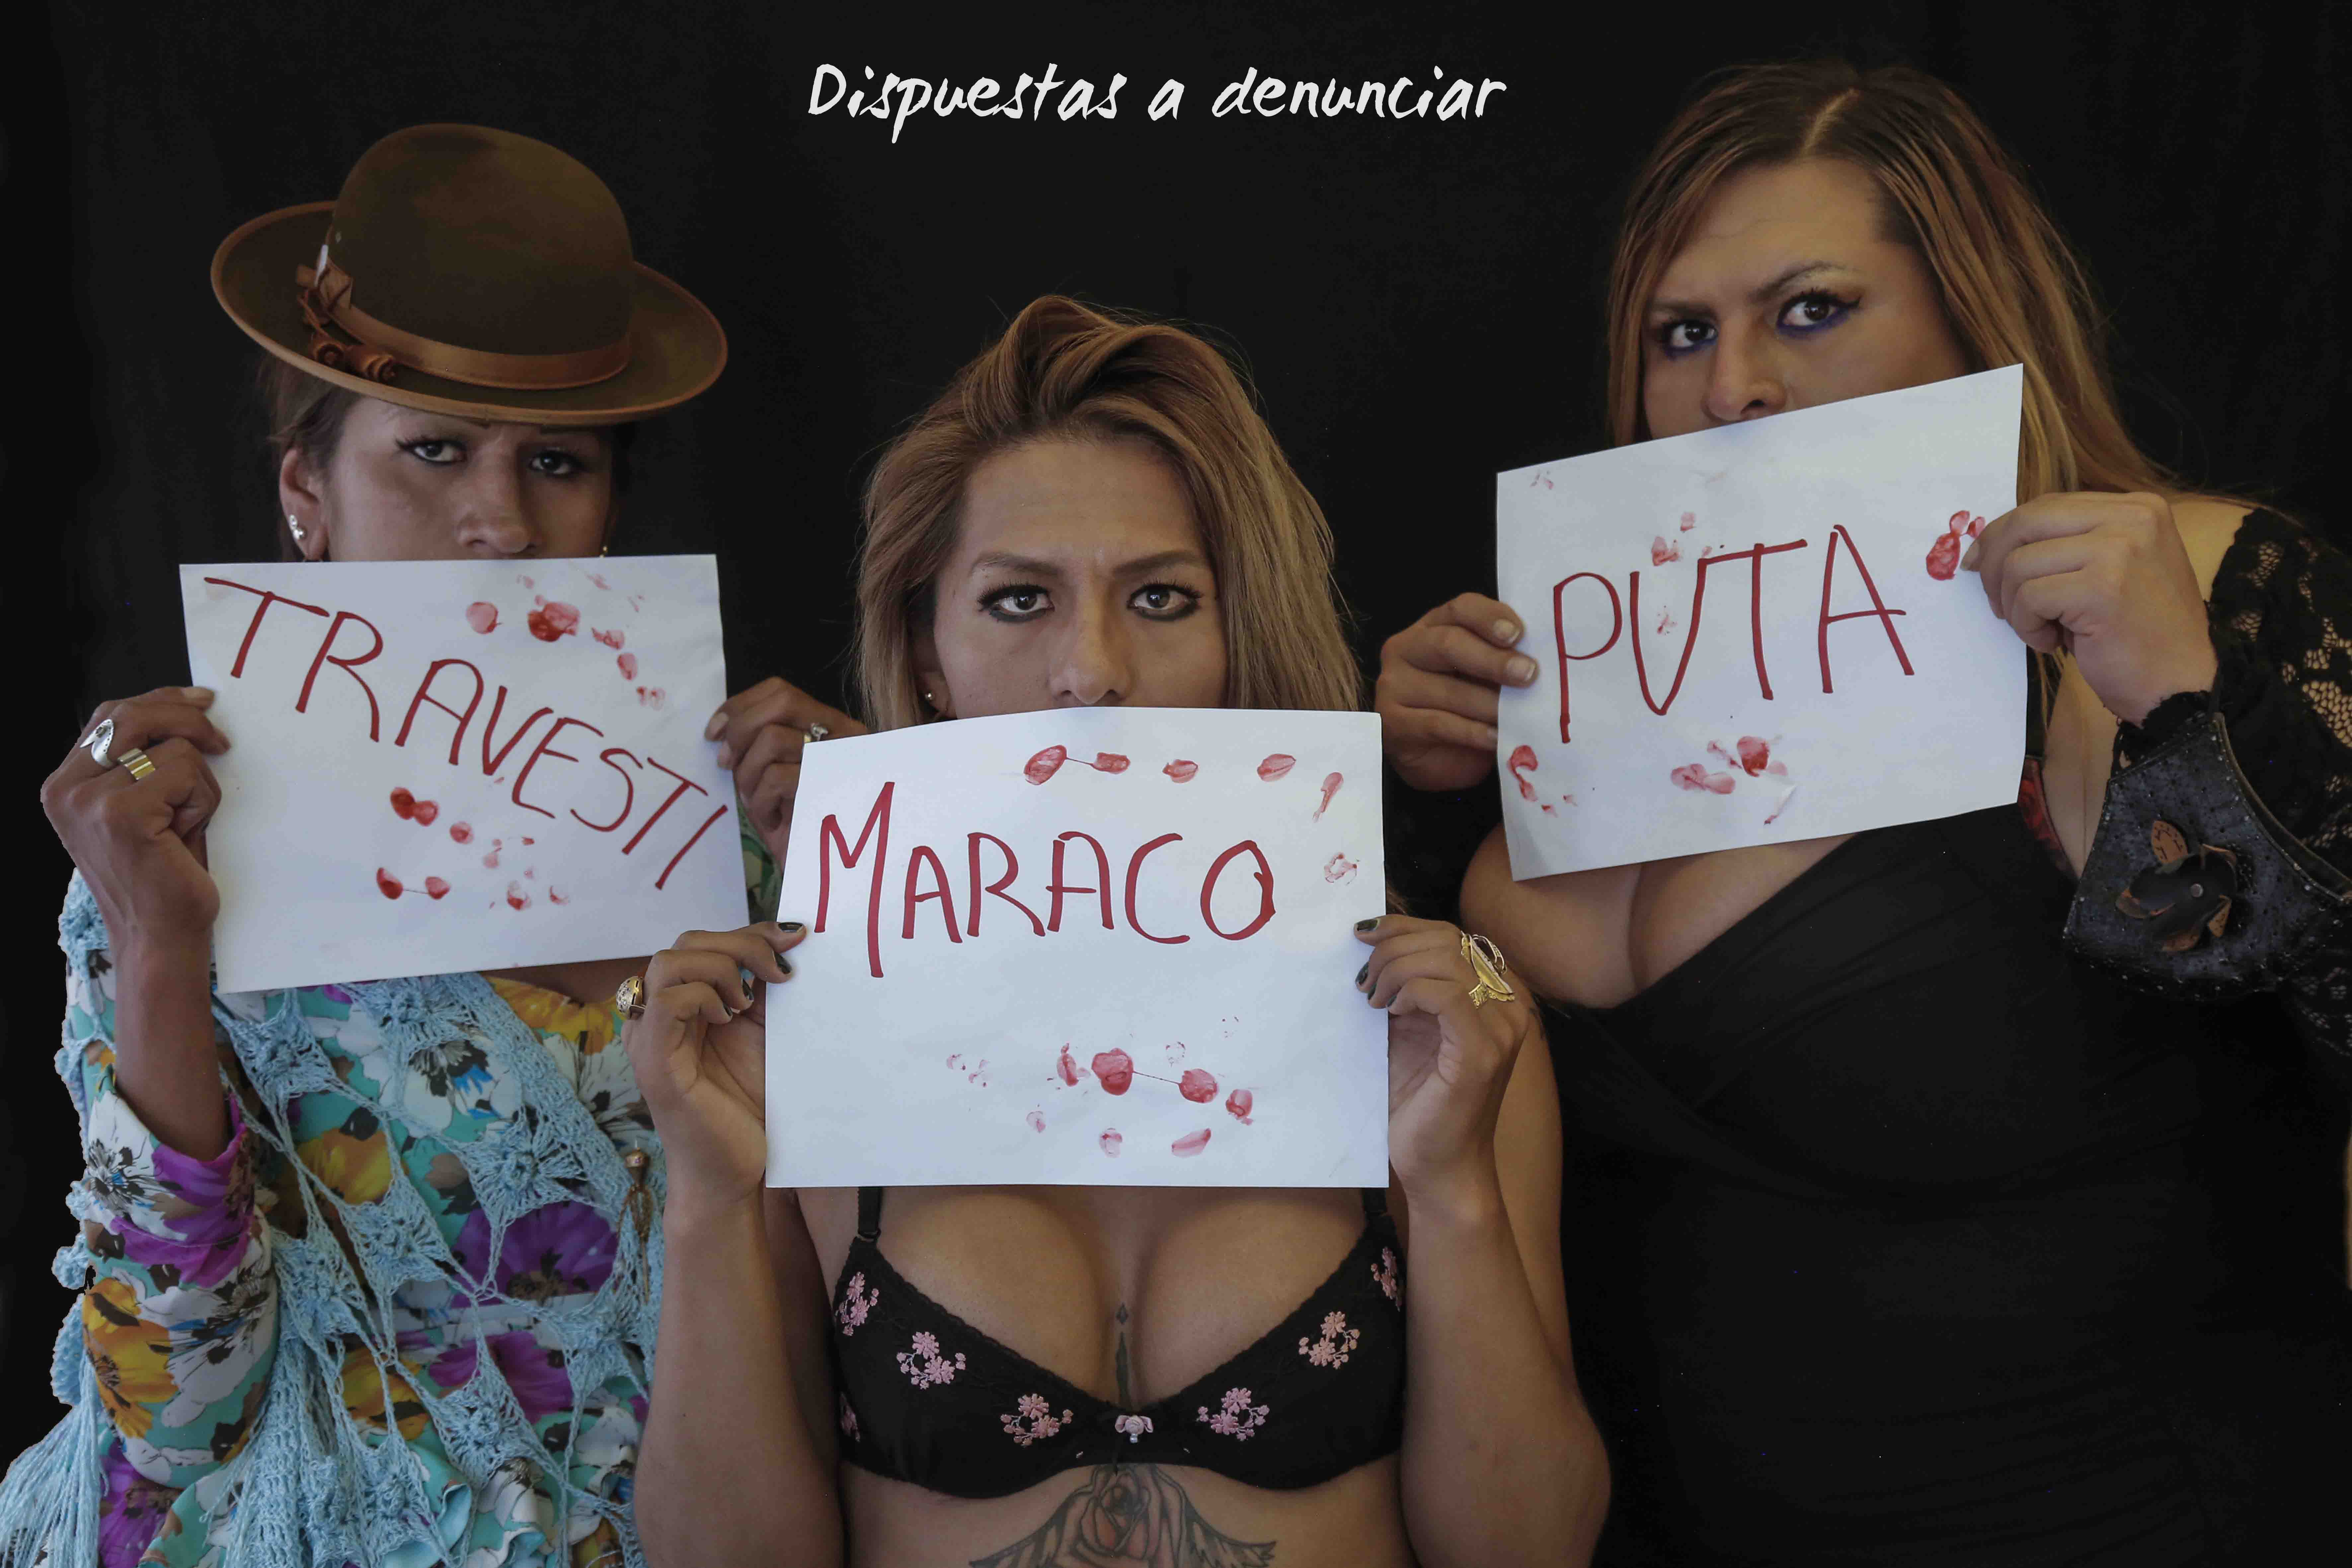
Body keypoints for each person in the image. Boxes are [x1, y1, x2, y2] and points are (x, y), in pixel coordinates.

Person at [1375, 59, 2352, 1564]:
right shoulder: (1574, 681)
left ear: (1972, 312)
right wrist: (1411, 785)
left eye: (1810, 309)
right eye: (1681, 333)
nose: (1733, 387)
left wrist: (2180, 698)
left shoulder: (2202, 580)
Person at [622, 295, 1610, 1567]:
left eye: (1160, 595)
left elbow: (1532, 1546)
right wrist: (709, 1197)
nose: (1090, 669)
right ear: (927, 652)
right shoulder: (806, 1034)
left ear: (1239, 630)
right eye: (1018, 600)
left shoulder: (1441, 1026)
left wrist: (1453, 1185)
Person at [2, 123, 806, 1568]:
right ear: (305, 492)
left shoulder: (744, 837)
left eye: (556, 460)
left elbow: (881, 1320)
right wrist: (163, 948)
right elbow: (178, 1417)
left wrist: (873, 862)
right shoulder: (174, 844)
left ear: (609, 505)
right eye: (432, 450)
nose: (500, 521)